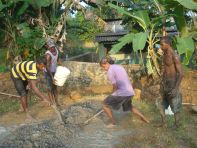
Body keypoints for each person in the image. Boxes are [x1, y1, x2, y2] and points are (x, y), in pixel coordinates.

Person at [100, 56, 149, 127]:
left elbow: (115, 86)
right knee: (129, 107)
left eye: (103, 67)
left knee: (104, 104)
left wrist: (112, 95)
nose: (104, 69)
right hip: (130, 92)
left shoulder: (110, 71)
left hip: (123, 92)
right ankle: (145, 119)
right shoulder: (118, 66)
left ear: (107, 63)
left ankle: (113, 123)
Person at [159, 36, 183, 128]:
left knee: (175, 104)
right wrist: (161, 81)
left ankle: (177, 124)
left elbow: (181, 74)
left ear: (168, 44)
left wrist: (175, 88)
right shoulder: (164, 55)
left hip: (173, 82)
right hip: (164, 82)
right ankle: (163, 123)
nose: (160, 46)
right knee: (160, 102)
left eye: (162, 44)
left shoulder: (175, 56)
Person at [45, 38, 61, 106]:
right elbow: (47, 67)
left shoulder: (57, 51)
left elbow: (58, 59)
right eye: (50, 47)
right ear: (48, 47)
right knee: (49, 88)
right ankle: (52, 102)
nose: (52, 48)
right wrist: (51, 77)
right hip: (48, 73)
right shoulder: (48, 55)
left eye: (53, 47)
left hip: (54, 71)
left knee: (55, 87)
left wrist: (61, 66)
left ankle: (57, 102)